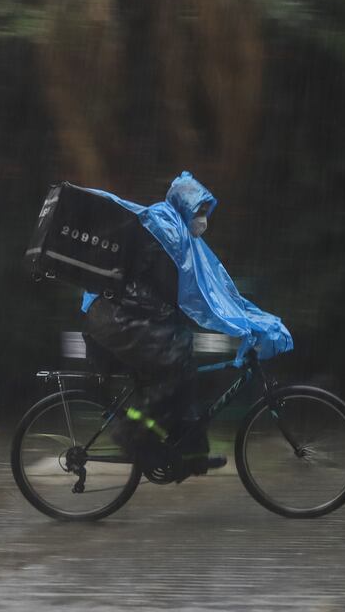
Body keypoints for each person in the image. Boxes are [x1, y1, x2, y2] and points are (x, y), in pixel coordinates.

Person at [80, 172, 292, 479]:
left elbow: (210, 290)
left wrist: (249, 319)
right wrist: (244, 324)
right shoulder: (165, 228)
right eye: (200, 211)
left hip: (131, 316)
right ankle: (132, 433)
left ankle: (190, 452)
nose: (203, 219)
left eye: (206, 212)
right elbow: (195, 295)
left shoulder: (178, 231)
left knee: (185, 365)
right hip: (118, 319)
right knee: (174, 364)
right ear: (186, 206)